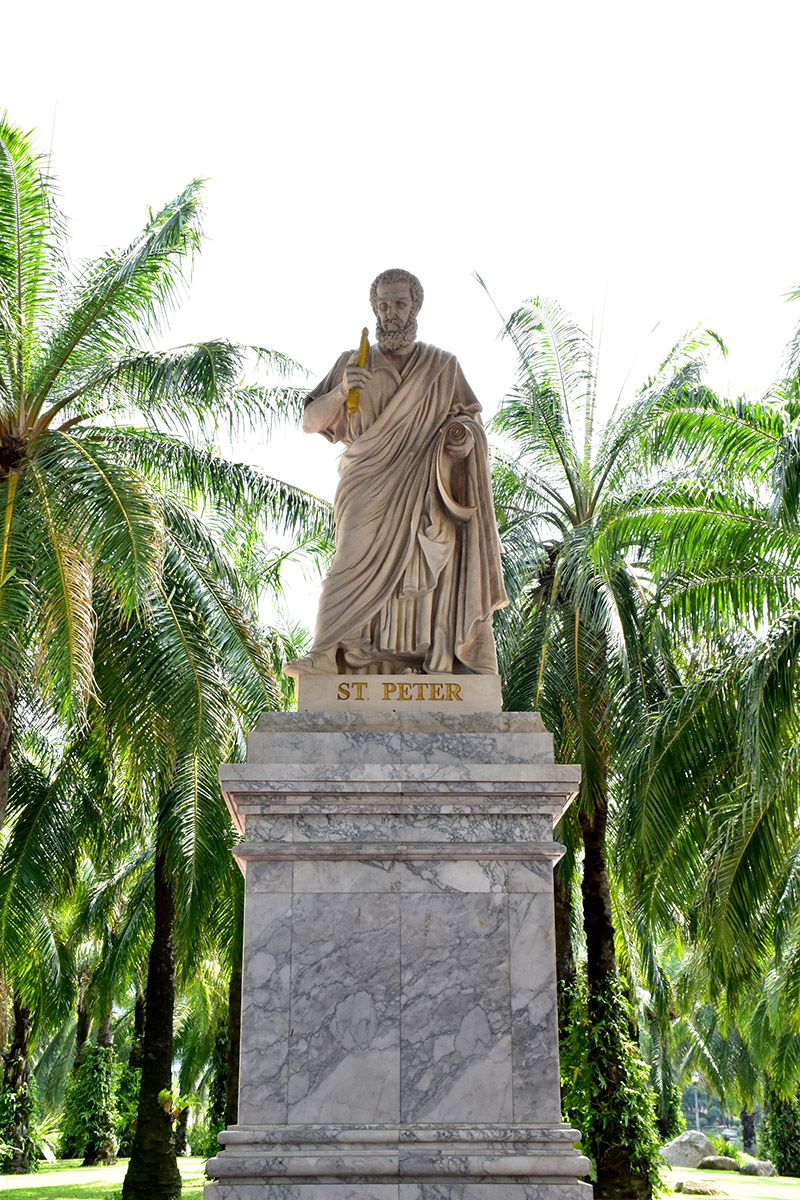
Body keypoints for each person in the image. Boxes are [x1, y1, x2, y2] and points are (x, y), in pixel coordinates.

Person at [286, 268, 507, 676]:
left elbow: (470, 422)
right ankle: (325, 652)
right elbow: (310, 422)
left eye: (399, 304)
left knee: (428, 569)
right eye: (383, 305)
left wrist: (461, 439)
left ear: (415, 307)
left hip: (425, 486)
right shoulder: (354, 362)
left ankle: (418, 657)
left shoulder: (443, 367)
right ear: (375, 308)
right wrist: (342, 390)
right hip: (366, 482)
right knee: (350, 564)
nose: (391, 313)